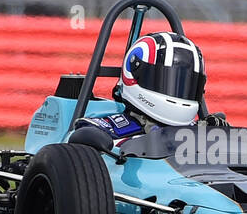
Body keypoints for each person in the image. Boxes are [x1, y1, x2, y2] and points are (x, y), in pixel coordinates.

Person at [73, 31, 209, 146]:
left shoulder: (200, 135)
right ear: (134, 73)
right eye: (165, 80)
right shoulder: (107, 133)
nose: (177, 92)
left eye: (184, 85)